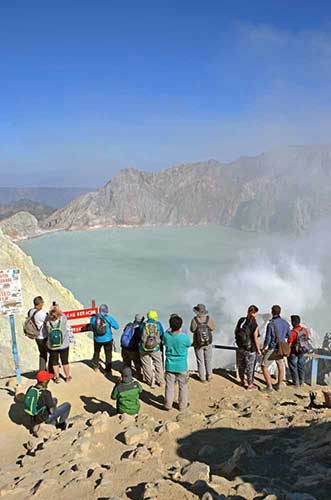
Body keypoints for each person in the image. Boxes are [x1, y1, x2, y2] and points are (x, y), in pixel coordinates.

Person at [163, 314, 192, 411]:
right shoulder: (184, 338)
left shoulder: (166, 336)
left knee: (169, 386)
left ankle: (168, 405)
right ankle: (182, 406)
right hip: (181, 365)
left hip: (169, 365)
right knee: (183, 387)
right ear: (181, 326)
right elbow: (189, 344)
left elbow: (163, 342)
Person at [261, 305, 291, 392]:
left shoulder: (271, 324)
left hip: (272, 348)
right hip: (281, 349)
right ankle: (278, 385)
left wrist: (263, 347)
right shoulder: (285, 323)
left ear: (272, 312)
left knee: (264, 366)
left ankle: (269, 387)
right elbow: (289, 335)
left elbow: (268, 338)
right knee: (280, 366)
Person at [235, 305, 261, 390]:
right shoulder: (254, 323)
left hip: (240, 347)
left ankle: (243, 381)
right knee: (250, 367)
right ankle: (250, 385)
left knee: (241, 365)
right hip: (250, 349)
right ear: (254, 313)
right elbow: (255, 338)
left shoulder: (241, 320)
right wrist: (258, 349)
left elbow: (236, 331)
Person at [46, 305, 74, 383]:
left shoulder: (48, 323)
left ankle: (57, 378)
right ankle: (67, 377)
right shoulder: (62, 320)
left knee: (55, 362)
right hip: (64, 345)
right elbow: (62, 314)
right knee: (65, 361)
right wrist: (57, 308)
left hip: (52, 346)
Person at [90, 304, 119, 375]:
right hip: (108, 339)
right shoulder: (108, 318)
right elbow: (116, 327)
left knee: (97, 352)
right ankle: (107, 370)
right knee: (108, 354)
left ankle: (96, 366)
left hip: (97, 339)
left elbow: (91, 328)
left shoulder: (94, 318)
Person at [190, 304, 215, 382]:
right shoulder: (209, 319)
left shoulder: (194, 320)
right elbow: (213, 328)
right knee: (208, 359)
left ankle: (202, 378)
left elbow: (192, 330)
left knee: (200, 360)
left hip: (198, 343)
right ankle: (209, 376)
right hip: (208, 342)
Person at [139, 310, 164, 388]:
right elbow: (162, 334)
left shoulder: (143, 325)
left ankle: (150, 381)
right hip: (155, 348)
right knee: (158, 364)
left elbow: (140, 334)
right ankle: (160, 381)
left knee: (146, 364)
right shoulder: (158, 324)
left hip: (144, 348)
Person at [288, 315, 311, 387]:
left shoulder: (292, 332)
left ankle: (296, 383)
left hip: (294, 351)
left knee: (293, 366)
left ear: (293, 322)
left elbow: (289, 343)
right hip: (303, 350)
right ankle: (301, 382)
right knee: (301, 366)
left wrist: (287, 351)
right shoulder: (305, 330)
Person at [121, 314, 144, 379]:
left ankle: (126, 376)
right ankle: (139, 376)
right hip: (134, 349)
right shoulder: (140, 328)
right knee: (137, 363)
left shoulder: (128, 325)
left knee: (126, 363)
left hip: (124, 348)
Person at [28, 296, 48, 371]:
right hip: (44, 336)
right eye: (42, 303)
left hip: (36, 336)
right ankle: (53, 372)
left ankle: (42, 371)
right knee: (52, 354)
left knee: (42, 354)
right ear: (40, 304)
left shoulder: (30, 311)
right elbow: (48, 322)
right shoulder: (41, 313)